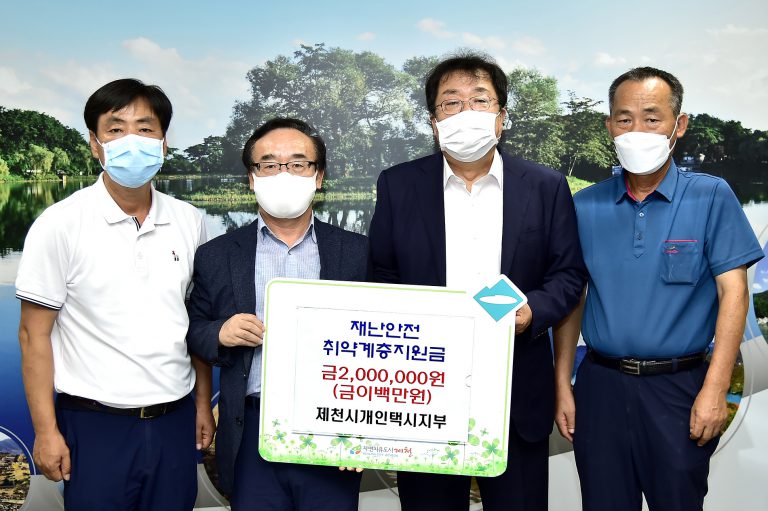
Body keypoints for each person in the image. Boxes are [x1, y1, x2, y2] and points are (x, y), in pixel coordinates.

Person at [368, 51, 588, 511]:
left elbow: (568, 274)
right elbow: (382, 275)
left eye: (480, 100)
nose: (465, 112)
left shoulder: (544, 186)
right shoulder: (398, 185)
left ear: (501, 117)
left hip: (516, 386)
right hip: (423, 389)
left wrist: (533, 311)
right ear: (434, 122)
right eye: (451, 102)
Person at [553, 67, 764, 511]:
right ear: (609, 126)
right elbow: (573, 297)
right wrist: (563, 384)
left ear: (678, 125)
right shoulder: (585, 204)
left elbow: (734, 294)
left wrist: (715, 388)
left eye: (652, 118)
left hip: (680, 388)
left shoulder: (711, 196)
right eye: (624, 119)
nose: (637, 130)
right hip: (600, 387)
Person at [15, 78, 214, 511]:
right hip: (94, 423)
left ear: (163, 143)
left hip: (175, 418)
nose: (132, 141)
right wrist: (46, 431)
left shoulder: (190, 220)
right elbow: (33, 336)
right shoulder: (60, 224)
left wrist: (202, 403)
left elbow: (197, 320)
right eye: (116, 129)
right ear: (95, 143)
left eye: (145, 129)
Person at [186, 118, 367, 510]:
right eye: (269, 165)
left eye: (298, 164)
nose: (283, 174)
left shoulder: (358, 252)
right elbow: (194, 330)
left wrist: (365, 428)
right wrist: (220, 332)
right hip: (250, 426)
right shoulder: (217, 254)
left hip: (333, 426)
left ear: (319, 176)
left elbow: (383, 338)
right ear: (252, 179)